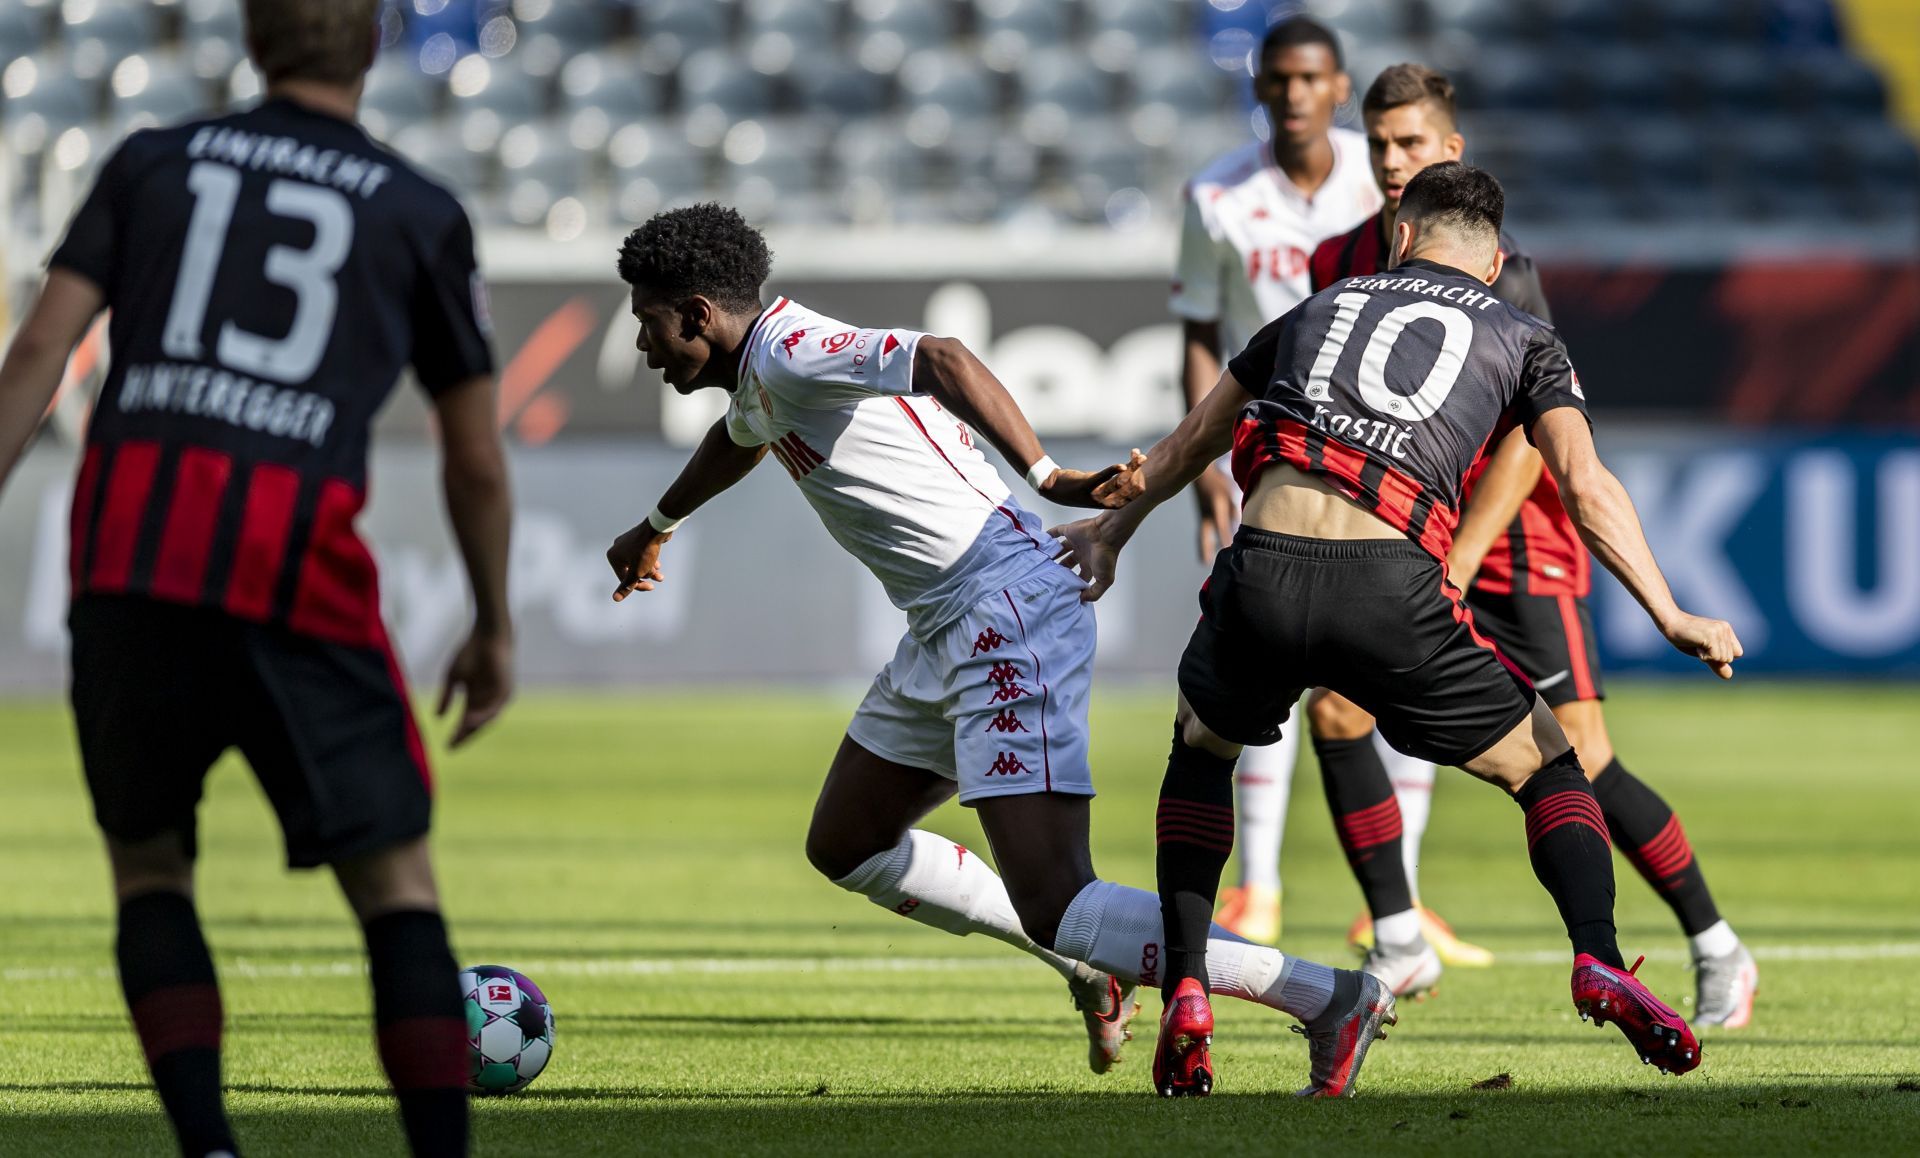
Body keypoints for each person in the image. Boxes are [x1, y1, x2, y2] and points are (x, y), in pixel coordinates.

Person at [604, 203, 1388, 1097]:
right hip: (946, 624)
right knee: (848, 841)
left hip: (1004, 608)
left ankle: (1329, 997)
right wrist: (656, 524)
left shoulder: (790, 350)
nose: (644, 345)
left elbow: (941, 357)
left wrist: (1048, 475)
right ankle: (1087, 966)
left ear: (698, 314)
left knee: (1064, 899)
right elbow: (737, 440)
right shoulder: (761, 379)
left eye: (648, 322)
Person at [1055, 161, 1738, 1094]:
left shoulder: (1316, 307)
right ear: (1493, 264)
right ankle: (1599, 957)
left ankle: (1186, 986)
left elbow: (1186, 446)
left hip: (1258, 570)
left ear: (1402, 236)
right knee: (1548, 764)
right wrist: (1669, 610)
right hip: (1388, 586)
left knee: (1203, 747)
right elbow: (1583, 483)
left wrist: (1108, 532)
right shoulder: (1526, 335)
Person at [0, 3, 513, 1154]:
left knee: (150, 872)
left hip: (128, 556)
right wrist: (493, 621)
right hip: (295, 569)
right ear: (373, 47)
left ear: (252, 36)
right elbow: (474, 456)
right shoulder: (421, 211)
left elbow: (41, 352)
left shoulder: (150, 165)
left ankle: (210, 1147)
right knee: (395, 890)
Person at [1304, 64, 1756, 1024]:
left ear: (1451, 152)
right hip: (1403, 529)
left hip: (1515, 539)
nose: (1393, 162)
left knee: (1581, 760)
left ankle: (1717, 944)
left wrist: (1459, 558)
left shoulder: (1508, 273)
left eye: (1413, 144)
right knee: (1336, 710)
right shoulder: (1334, 259)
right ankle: (1398, 938)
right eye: (1380, 143)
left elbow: (1528, 440)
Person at [1169, 14, 1389, 945]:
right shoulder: (1217, 193)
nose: (1292, 93)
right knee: (1259, 660)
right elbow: (1199, 330)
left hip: (1378, 445)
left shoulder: (1384, 175)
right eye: (1277, 79)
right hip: (1263, 449)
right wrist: (1205, 465)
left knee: (1379, 668)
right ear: (1258, 87)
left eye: (1310, 79)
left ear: (1338, 87)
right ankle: (1256, 884)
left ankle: (1399, 895)